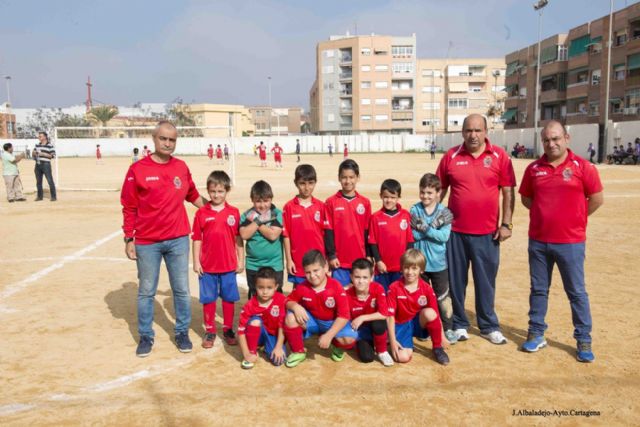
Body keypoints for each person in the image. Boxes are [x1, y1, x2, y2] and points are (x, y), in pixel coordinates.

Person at [519, 121, 604, 363]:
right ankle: (536, 333)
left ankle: (583, 339)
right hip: (538, 242)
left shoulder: (583, 167)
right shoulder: (534, 168)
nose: (551, 143)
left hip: (571, 242)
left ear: (566, 138)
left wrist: (575, 217)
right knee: (538, 290)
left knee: (576, 292)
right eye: (546, 140)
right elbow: (527, 198)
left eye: (555, 138)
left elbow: (597, 199)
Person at [121, 120, 204, 357]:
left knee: (181, 290)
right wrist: (129, 239)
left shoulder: (181, 167)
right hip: (148, 242)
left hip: (178, 239)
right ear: (154, 139)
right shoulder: (138, 170)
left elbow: (193, 195)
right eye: (163, 139)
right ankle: (146, 336)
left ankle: (181, 332)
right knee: (147, 291)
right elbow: (129, 206)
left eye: (172, 140)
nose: (168, 143)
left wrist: (214, 211)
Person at [436, 113, 516, 345]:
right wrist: (433, 218)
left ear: (485, 132)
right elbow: (439, 190)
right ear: (462, 132)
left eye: (477, 130)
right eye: (469, 130)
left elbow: (508, 192)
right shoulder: (451, 156)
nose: (473, 135)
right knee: (456, 281)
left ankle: (488, 325)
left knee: (485, 281)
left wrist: (506, 224)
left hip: (487, 234)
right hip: (455, 233)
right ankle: (460, 323)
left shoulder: (500, 156)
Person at [192, 170, 244, 348]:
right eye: (213, 191)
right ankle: (210, 330)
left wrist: (241, 259)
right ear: (208, 191)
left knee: (229, 298)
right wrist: (196, 262)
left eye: (220, 191)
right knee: (209, 299)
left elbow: (238, 238)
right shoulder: (201, 213)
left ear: (227, 191)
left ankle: (228, 328)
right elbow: (197, 238)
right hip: (207, 267)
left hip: (228, 265)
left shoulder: (234, 213)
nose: (216, 195)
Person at [283, 250, 358, 368]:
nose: (312, 276)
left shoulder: (336, 287)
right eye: (308, 272)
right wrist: (295, 306)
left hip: (331, 323)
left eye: (316, 270)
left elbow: (344, 316)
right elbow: (286, 301)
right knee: (290, 317)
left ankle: (336, 345)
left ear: (326, 267)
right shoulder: (303, 287)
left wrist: (329, 335)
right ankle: (298, 351)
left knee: (349, 338)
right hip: (313, 321)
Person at [409, 173, 456, 344]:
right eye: (422, 192)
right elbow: (412, 234)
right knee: (419, 297)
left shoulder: (444, 212)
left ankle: (448, 328)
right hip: (419, 264)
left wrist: (426, 229)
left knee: (443, 296)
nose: (425, 196)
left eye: (429, 192)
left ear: (438, 192)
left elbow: (444, 236)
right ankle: (423, 328)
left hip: (438, 264)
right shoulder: (415, 209)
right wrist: (429, 229)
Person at [387, 249, 450, 365]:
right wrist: (392, 341)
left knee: (430, 313)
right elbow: (389, 317)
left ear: (421, 270)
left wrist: (442, 337)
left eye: (414, 268)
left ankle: (437, 348)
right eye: (406, 267)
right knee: (402, 358)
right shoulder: (394, 287)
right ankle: (395, 341)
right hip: (400, 325)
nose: (410, 272)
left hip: (418, 324)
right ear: (401, 268)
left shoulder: (426, 288)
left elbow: (435, 314)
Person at [324, 159, 372, 286]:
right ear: (339, 178)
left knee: (360, 297)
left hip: (360, 259)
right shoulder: (331, 202)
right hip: (340, 261)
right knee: (341, 295)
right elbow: (328, 231)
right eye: (344, 177)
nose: (348, 181)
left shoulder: (365, 202)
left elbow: (367, 231)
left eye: (351, 177)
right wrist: (332, 255)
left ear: (358, 178)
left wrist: (368, 254)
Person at [239, 180, 284, 299]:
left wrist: (256, 222)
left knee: (276, 296)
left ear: (271, 199)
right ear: (252, 200)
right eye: (258, 201)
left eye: (266, 201)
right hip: (253, 265)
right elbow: (244, 234)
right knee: (255, 296)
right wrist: (259, 220)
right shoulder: (247, 215)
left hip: (274, 264)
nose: (262, 205)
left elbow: (273, 235)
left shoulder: (276, 213)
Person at [282, 164, 325, 286]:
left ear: (315, 182)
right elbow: (286, 236)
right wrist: (289, 260)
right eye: (302, 183)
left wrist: (326, 260)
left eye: (310, 183)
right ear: (295, 183)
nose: (306, 188)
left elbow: (326, 235)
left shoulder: (322, 207)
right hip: (298, 261)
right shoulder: (289, 207)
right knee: (299, 295)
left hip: (318, 261)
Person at [367, 179, 414, 291]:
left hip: (400, 268)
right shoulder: (375, 217)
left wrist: (406, 264)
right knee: (383, 297)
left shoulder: (405, 215)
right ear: (381, 196)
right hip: (382, 268)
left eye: (393, 197)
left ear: (398, 197)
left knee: (399, 297)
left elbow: (410, 241)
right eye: (386, 197)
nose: (389, 200)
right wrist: (378, 261)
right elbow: (372, 242)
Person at [346, 258, 394, 366]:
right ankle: (366, 343)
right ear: (351, 277)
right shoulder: (347, 294)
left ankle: (382, 351)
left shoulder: (378, 288)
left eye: (365, 277)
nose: (361, 281)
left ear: (372, 278)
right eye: (357, 277)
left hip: (374, 327)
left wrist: (362, 317)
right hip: (360, 331)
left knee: (379, 323)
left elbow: (384, 313)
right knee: (367, 358)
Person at [237, 267, 287, 369]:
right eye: (261, 287)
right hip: (258, 332)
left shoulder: (281, 300)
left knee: (278, 361)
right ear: (255, 287)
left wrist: (278, 347)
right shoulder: (250, 305)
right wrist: (246, 354)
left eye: (269, 287)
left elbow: (283, 325)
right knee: (255, 321)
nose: (265, 292)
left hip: (274, 335)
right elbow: (240, 331)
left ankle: (267, 346)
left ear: (276, 287)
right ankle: (253, 350)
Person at [33, 131, 57, 202]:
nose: (39, 137)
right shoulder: (37, 145)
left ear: (45, 137)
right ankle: (39, 196)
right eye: (39, 136)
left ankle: (53, 197)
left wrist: (43, 154)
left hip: (46, 164)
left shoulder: (50, 145)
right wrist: (34, 153)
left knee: (50, 181)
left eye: (40, 136)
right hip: (38, 164)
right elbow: (33, 153)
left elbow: (53, 155)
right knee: (38, 181)